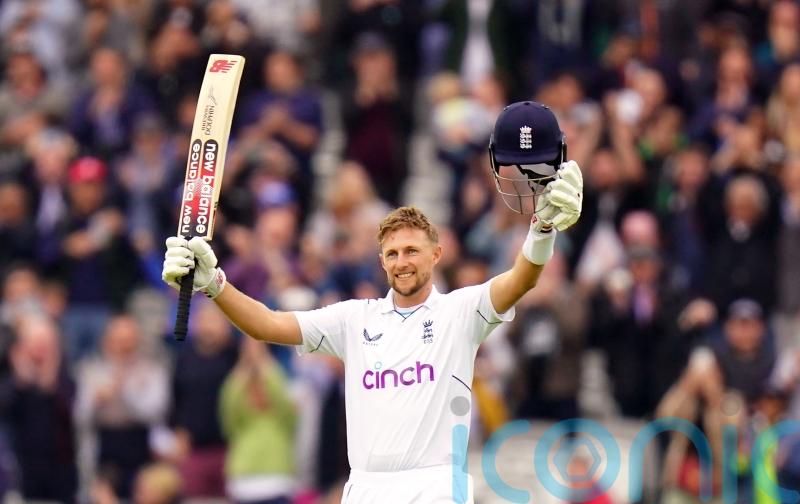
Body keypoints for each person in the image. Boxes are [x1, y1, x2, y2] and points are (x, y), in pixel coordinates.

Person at [161, 101, 583, 503]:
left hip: (436, 488)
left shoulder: (460, 312)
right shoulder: (353, 319)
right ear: (381, 261)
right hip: (366, 488)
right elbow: (266, 325)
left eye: (413, 251)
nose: (403, 262)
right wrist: (213, 283)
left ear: (436, 255)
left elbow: (522, 278)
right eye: (394, 254)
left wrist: (543, 229)